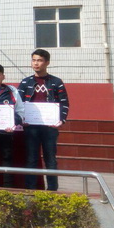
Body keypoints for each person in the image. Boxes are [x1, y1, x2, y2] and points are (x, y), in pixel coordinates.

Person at [17, 49, 69, 191]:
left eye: (39, 60)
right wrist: (22, 119)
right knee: (31, 159)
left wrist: (61, 120)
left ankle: (52, 191)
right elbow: (18, 103)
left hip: (49, 127)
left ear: (47, 62)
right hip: (30, 127)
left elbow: (64, 103)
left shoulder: (56, 82)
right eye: (34, 60)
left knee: (50, 159)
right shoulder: (25, 82)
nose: (36, 63)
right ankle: (30, 190)